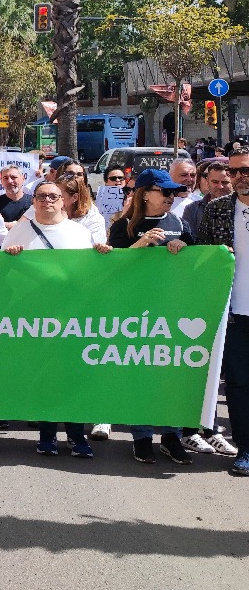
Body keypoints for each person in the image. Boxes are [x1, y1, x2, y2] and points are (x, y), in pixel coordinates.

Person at [5, 180, 110, 459]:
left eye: (54, 196)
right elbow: (3, 276)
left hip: (73, 317)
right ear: (33, 201)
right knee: (45, 377)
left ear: (63, 200)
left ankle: (76, 436)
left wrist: (102, 256)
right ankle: (46, 436)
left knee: (74, 377)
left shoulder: (79, 233)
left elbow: (92, 276)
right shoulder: (19, 232)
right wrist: (10, 258)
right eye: (41, 196)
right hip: (35, 318)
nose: (47, 201)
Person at [102, 168, 194, 465]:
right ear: (145, 194)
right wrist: (139, 246)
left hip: (172, 311)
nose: (171, 197)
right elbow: (110, 269)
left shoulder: (179, 222)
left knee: (170, 376)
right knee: (139, 375)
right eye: (165, 192)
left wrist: (184, 249)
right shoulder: (124, 225)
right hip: (134, 313)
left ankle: (172, 436)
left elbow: (198, 263)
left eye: (173, 192)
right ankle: (141, 437)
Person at [197, 149, 249, 472]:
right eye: (235, 172)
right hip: (234, 314)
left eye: (246, 170)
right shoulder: (216, 210)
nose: (241, 177)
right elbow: (201, 255)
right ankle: (245, 449)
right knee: (239, 385)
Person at [182, 160, 231, 242]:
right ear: (207, 182)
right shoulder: (192, 209)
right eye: (215, 182)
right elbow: (189, 242)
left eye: (225, 182)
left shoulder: (242, 206)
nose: (220, 186)